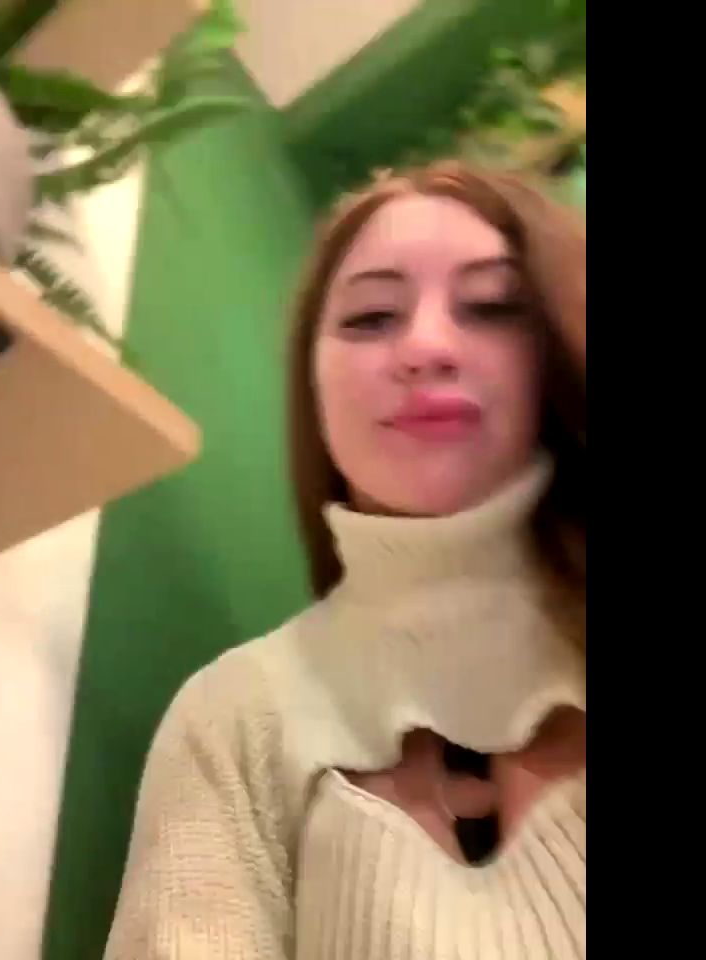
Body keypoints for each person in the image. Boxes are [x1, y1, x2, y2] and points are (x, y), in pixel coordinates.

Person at [104, 161, 586, 959]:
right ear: (314, 386)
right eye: (370, 317)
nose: (426, 347)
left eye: (494, 306)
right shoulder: (234, 716)